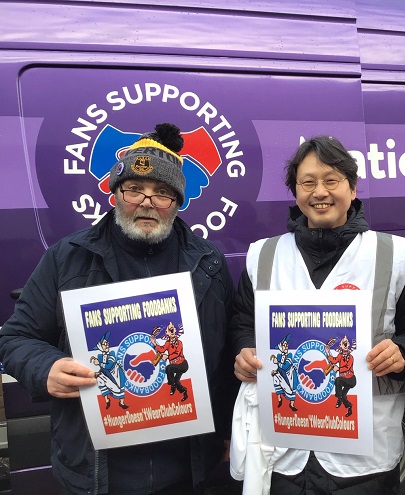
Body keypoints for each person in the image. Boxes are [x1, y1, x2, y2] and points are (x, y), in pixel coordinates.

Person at [0, 123, 237, 494]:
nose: (147, 201)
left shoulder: (208, 262)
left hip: (187, 472)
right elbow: (15, 337)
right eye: (134, 189)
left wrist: (227, 428)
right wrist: (45, 367)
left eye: (162, 192)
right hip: (99, 475)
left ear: (177, 202)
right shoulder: (68, 258)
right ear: (114, 193)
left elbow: (225, 359)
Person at [230, 135, 405, 494]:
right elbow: (242, 323)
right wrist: (245, 352)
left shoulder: (394, 255)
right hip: (283, 454)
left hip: (364, 460)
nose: (320, 192)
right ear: (295, 192)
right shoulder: (262, 256)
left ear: (353, 187)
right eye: (308, 182)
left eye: (331, 180)